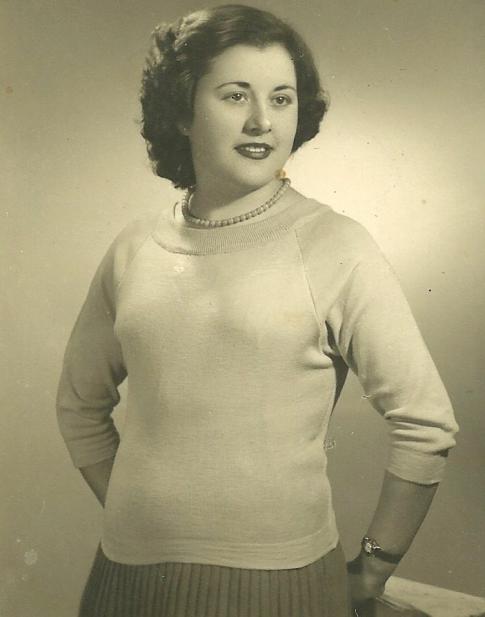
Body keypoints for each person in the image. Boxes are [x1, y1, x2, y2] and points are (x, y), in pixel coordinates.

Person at [56, 5, 459, 616]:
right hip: (125, 585)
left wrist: (374, 567)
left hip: (283, 587)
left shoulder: (336, 245)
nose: (261, 121)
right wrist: (139, 520)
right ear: (182, 111)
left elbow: (426, 426)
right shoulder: (134, 247)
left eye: (281, 98)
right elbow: (78, 407)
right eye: (235, 95)